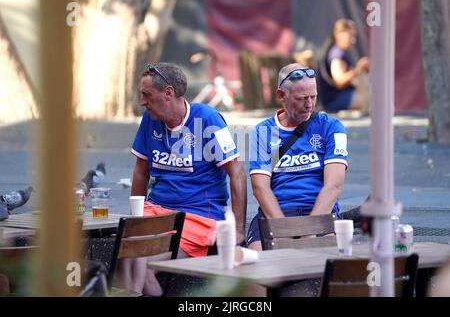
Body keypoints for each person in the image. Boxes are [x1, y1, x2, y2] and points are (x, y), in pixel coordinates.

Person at [122, 62, 247, 295]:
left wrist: (238, 230)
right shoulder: (151, 118)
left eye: (146, 94)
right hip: (156, 211)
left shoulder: (207, 118)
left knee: (139, 260)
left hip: (197, 216)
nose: (141, 101)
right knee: (124, 255)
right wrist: (135, 216)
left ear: (168, 93)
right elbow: (141, 170)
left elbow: (237, 173)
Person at [247, 63, 348, 259]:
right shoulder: (263, 131)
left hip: (319, 211)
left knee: (327, 265)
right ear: (281, 95)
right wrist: (282, 230)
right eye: (302, 99)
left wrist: (309, 231)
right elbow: (260, 188)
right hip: (277, 212)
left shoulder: (331, 127)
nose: (309, 104)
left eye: (313, 97)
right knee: (256, 265)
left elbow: (333, 186)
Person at [317, 19, 370, 113]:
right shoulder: (337, 54)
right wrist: (358, 69)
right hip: (334, 101)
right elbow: (339, 81)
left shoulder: (337, 52)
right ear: (338, 35)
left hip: (337, 98)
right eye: (350, 36)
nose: (353, 40)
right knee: (373, 100)